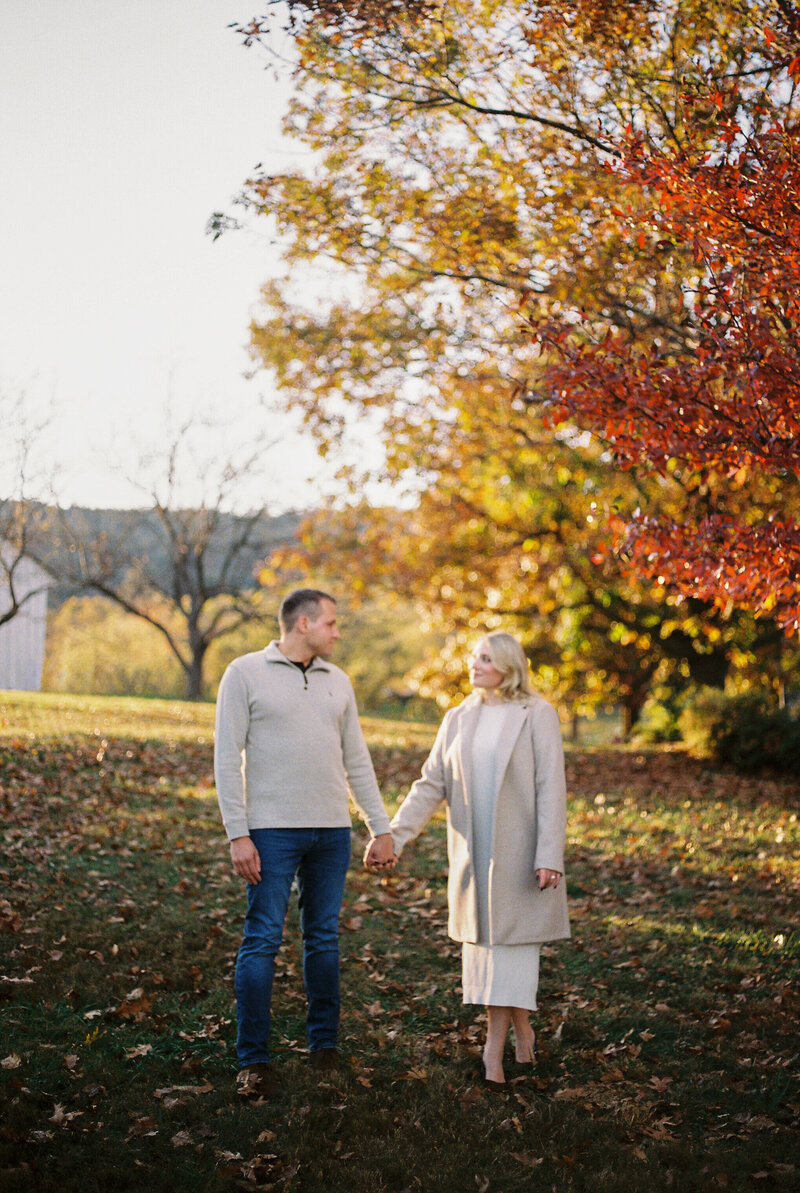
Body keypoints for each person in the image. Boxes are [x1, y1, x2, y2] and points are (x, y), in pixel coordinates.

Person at [214, 587, 395, 1098]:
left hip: (331, 833)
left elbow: (357, 760)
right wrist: (238, 833)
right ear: (303, 624)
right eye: (332, 623)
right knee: (263, 940)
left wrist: (379, 827)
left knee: (323, 940)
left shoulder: (338, 681)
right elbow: (226, 759)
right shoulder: (244, 673)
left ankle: (324, 1048)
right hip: (270, 833)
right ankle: (254, 1060)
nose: (338, 632)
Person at [390, 631, 569, 1090]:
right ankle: (524, 1032)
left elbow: (551, 787)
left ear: (508, 666)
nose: (475, 664)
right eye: (474, 657)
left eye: (485, 658)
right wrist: (396, 834)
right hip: (474, 853)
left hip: (522, 853)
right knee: (486, 952)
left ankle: (494, 1049)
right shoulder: (457, 718)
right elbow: (431, 783)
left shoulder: (537, 714)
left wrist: (549, 853)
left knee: (511, 950)